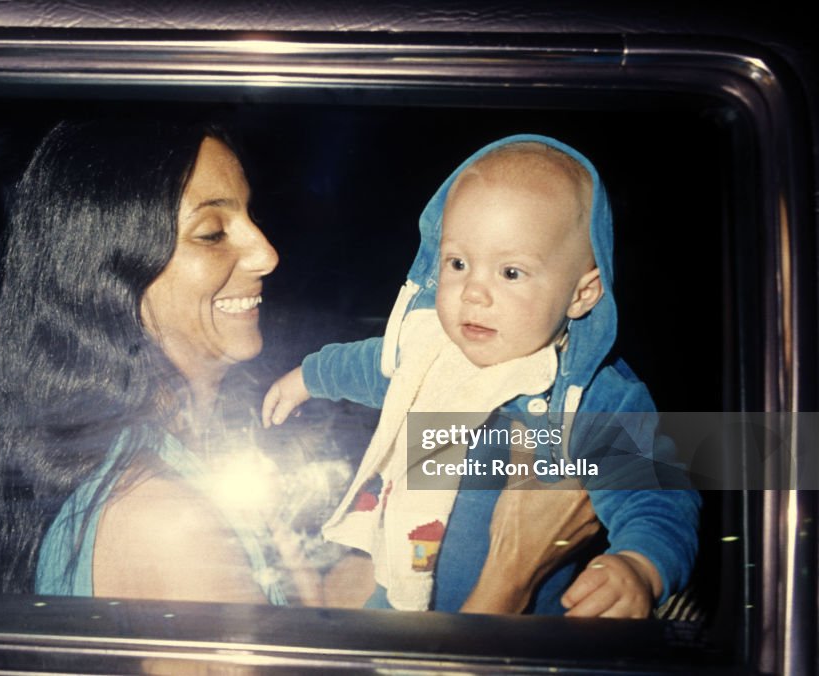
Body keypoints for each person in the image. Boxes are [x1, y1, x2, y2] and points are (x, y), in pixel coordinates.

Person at [0, 120, 600, 608]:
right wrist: (513, 570)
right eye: (212, 232)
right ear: (110, 275)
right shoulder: (163, 521)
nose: (268, 253)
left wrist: (400, 547)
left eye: (250, 217)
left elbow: (663, 453)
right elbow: (644, 453)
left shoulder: (198, 448)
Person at [263, 134, 701, 617]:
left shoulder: (593, 395)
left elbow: (657, 499)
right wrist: (309, 375)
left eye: (510, 272)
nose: (473, 292)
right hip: (395, 596)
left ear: (582, 294)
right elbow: (374, 364)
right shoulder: (431, 353)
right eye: (458, 263)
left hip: (519, 633)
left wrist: (640, 566)